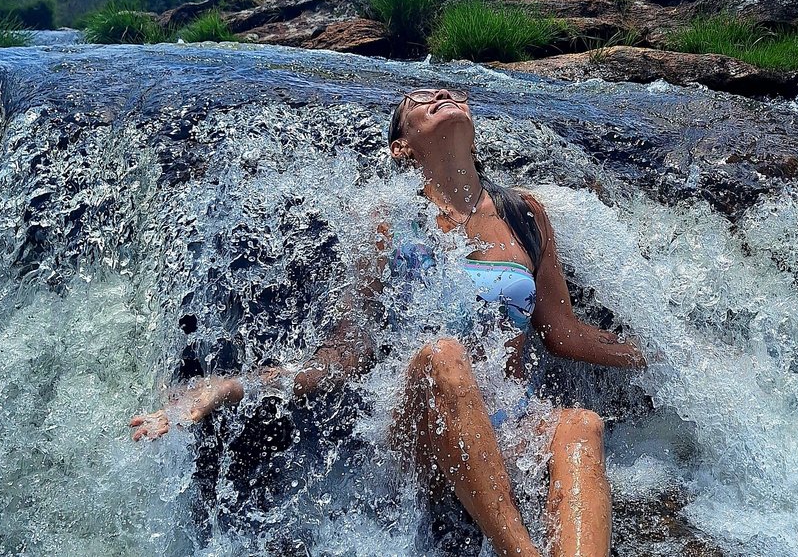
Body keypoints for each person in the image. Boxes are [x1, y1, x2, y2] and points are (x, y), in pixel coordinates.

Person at [130, 87, 646, 557]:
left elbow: (564, 331)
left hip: (508, 422)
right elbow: (345, 353)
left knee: (581, 425)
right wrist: (232, 386)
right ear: (402, 146)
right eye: (420, 99)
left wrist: (667, 356)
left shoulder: (524, 213)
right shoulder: (387, 220)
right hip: (422, 427)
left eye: (448, 92)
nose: (440, 94)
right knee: (443, 355)